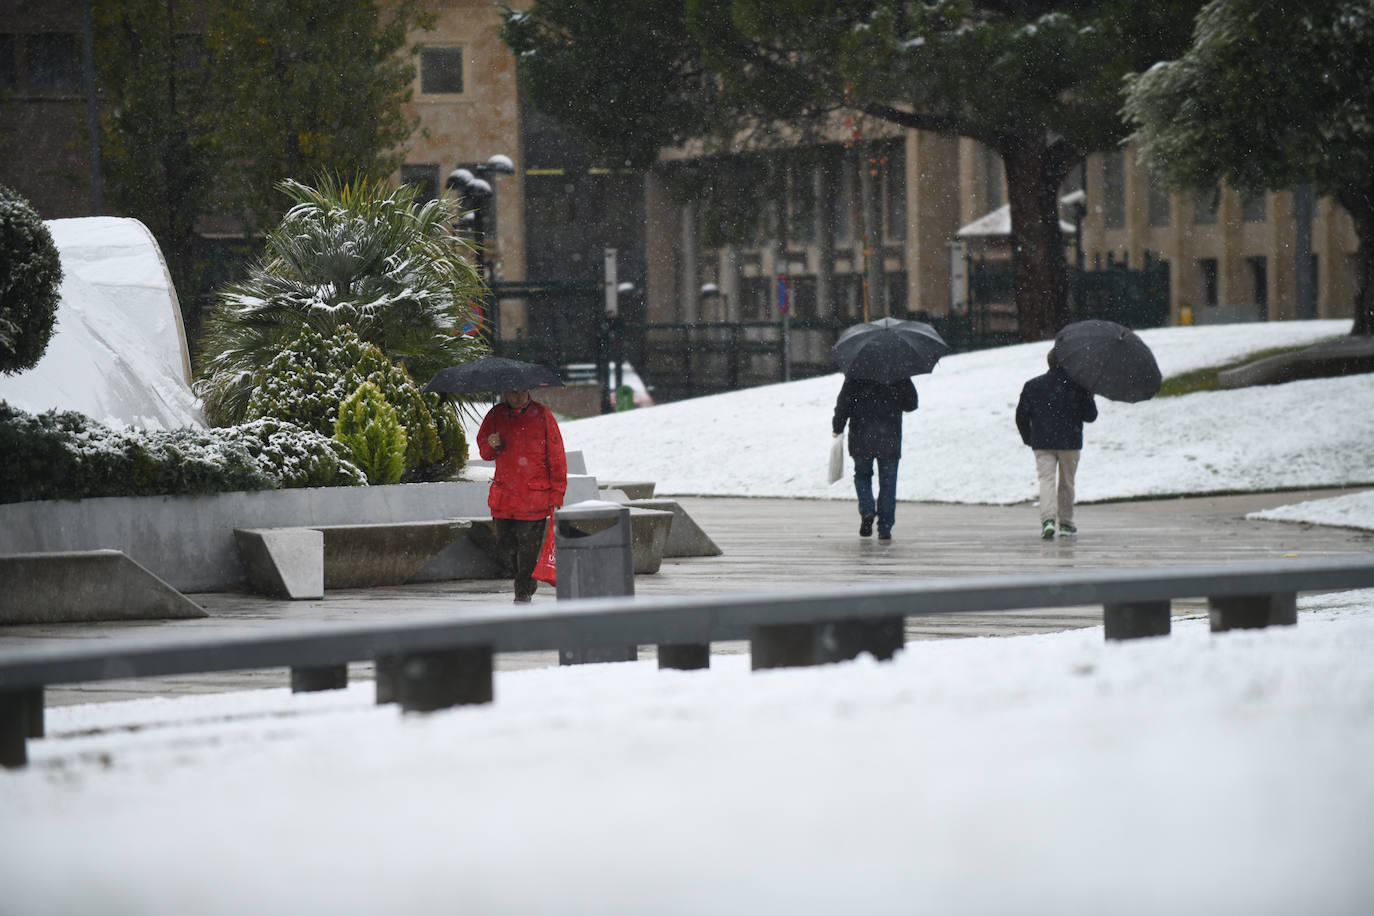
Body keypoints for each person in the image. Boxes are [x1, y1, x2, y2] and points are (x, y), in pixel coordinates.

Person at [476, 389, 568, 602]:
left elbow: (556, 456)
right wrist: (491, 444)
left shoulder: (543, 415)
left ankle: (523, 591)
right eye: (512, 392)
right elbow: (484, 452)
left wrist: (557, 493)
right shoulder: (495, 416)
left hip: (533, 497)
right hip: (504, 497)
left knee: (528, 550)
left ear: (528, 391)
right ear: (505, 393)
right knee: (505, 546)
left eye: (521, 392)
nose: (517, 396)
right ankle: (522, 581)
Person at [1015, 349, 1098, 540]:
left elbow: (1021, 416)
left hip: (1042, 442)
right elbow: (1091, 416)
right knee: (1067, 482)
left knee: (1046, 480)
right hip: (1070, 441)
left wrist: (1029, 437)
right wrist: (1089, 394)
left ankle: (1048, 521)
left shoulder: (1033, 385)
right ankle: (1066, 524)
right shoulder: (1079, 386)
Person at [832, 375, 918, 541]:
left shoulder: (855, 374)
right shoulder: (899, 374)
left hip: (861, 435)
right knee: (888, 481)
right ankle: (885, 527)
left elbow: (843, 404)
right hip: (889, 437)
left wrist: (837, 427)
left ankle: (867, 511)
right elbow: (911, 405)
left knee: (862, 475)